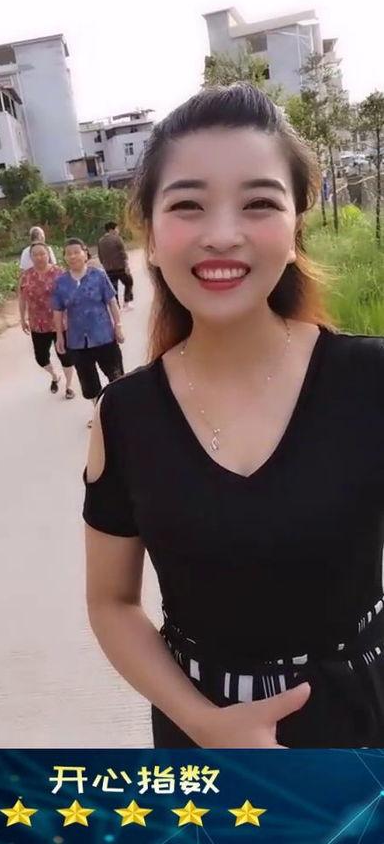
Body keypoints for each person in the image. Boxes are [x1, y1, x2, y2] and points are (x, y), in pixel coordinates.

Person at [83, 83, 384, 749]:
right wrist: (205, 723)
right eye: (188, 205)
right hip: (201, 735)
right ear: (151, 238)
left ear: (295, 230)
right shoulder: (126, 416)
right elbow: (112, 602)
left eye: (259, 203)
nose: (222, 235)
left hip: (364, 723)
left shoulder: (369, 380)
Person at [52, 238, 125, 425]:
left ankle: (121, 410)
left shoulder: (98, 275)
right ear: (65, 258)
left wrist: (118, 326)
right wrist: (59, 336)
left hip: (104, 336)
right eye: (69, 253)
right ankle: (99, 414)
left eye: (76, 252)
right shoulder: (61, 283)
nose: (73, 256)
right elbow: (58, 311)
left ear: (85, 254)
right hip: (77, 341)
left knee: (116, 375)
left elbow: (112, 301)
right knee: (89, 382)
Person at [19, 243, 75, 398]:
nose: (39, 257)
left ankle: (69, 386)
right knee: (41, 358)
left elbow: (70, 296)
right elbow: (22, 298)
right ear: (30, 257)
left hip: (60, 323)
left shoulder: (59, 273)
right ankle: (55, 376)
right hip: (38, 324)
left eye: (42, 254)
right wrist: (22, 318)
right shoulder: (26, 276)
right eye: (35, 254)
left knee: (65, 356)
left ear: (48, 255)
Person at [97, 221, 134, 310]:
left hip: (108, 269)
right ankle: (126, 302)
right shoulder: (117, 239)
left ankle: (117, 306)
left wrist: (104, 265)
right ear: (111, 230)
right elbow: (123, 253)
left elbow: (100, 256)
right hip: (120, 267)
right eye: (117, 228)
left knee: (114, 287)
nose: (118, 231)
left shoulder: (100, 241)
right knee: (129, 282)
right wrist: (126, 266)